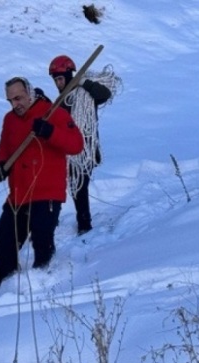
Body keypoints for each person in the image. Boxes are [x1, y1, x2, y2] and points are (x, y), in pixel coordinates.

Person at [0, 77, 84, 284]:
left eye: (19, 98)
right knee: (4, 239)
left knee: (42, 239)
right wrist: (0, 165)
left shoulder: (54, 113)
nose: (16, 104)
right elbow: (4, 149)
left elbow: (76, 145)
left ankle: (43, 281)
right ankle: (7, 284)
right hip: (18, 194)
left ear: (30, 93)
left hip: (46, 192)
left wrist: (50, 132)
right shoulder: (10, 120)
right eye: (11, 100)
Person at [48, 55, 112, 235]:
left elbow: (105, 94)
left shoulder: (86, 95)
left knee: (79, 187)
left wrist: (84, 82)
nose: (58, 84)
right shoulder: (61, 102)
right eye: (55, 80)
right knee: (57, 186)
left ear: (70, 76)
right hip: (66, 151)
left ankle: (84, 225)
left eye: (60, 79)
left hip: (86, 150)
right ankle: (51, 222)